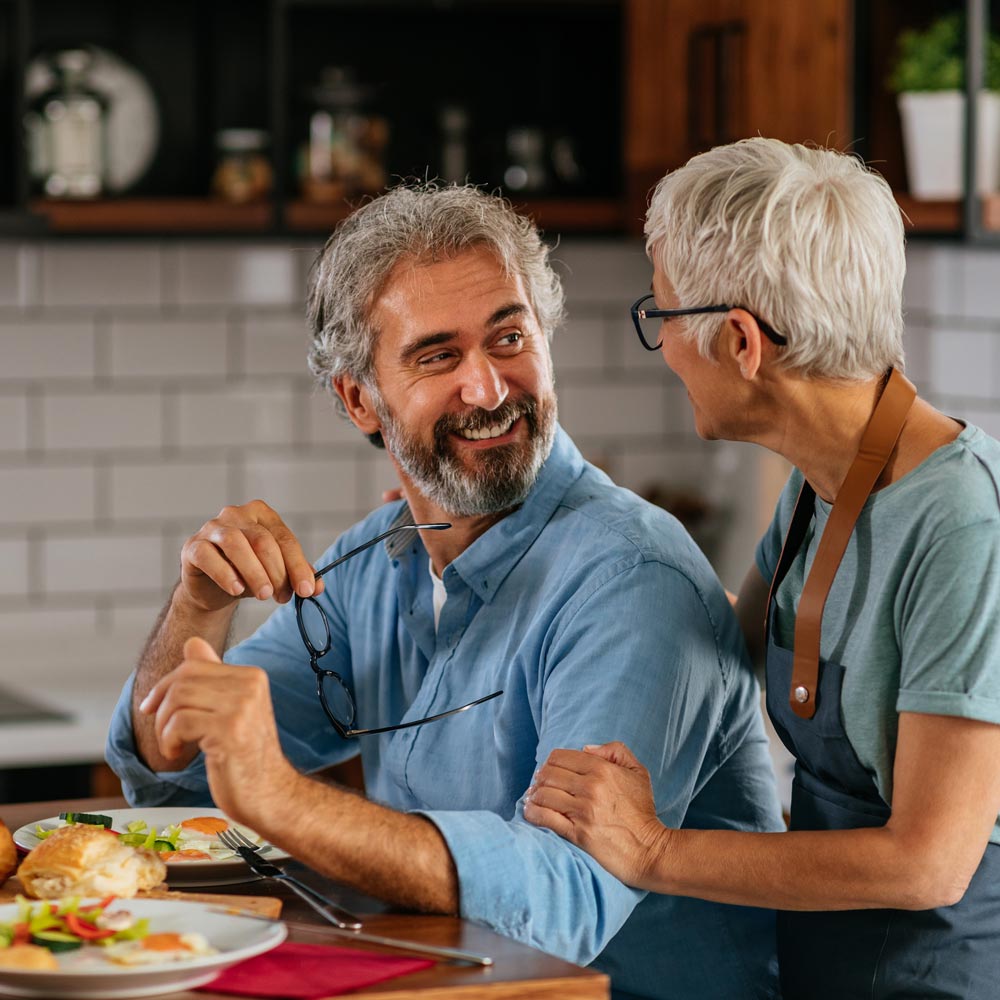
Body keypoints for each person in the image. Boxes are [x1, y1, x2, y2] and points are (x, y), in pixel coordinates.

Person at [105, 183, 784, 999]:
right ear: (360, 399)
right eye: (438, 356)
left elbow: (568, 896)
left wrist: (284, 800)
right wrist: (198, 609)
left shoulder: (631, 580)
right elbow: (167, 782)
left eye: (509, 337)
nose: (489, 388)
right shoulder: (377, 563)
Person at [524, 138, 1000, 999]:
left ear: (741, 342)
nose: (663, 347)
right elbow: (707, 648)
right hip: (827, 972)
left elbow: (929, 863)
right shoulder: (821, 486)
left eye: (662, 317)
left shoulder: (966, 526)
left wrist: (655, 851)